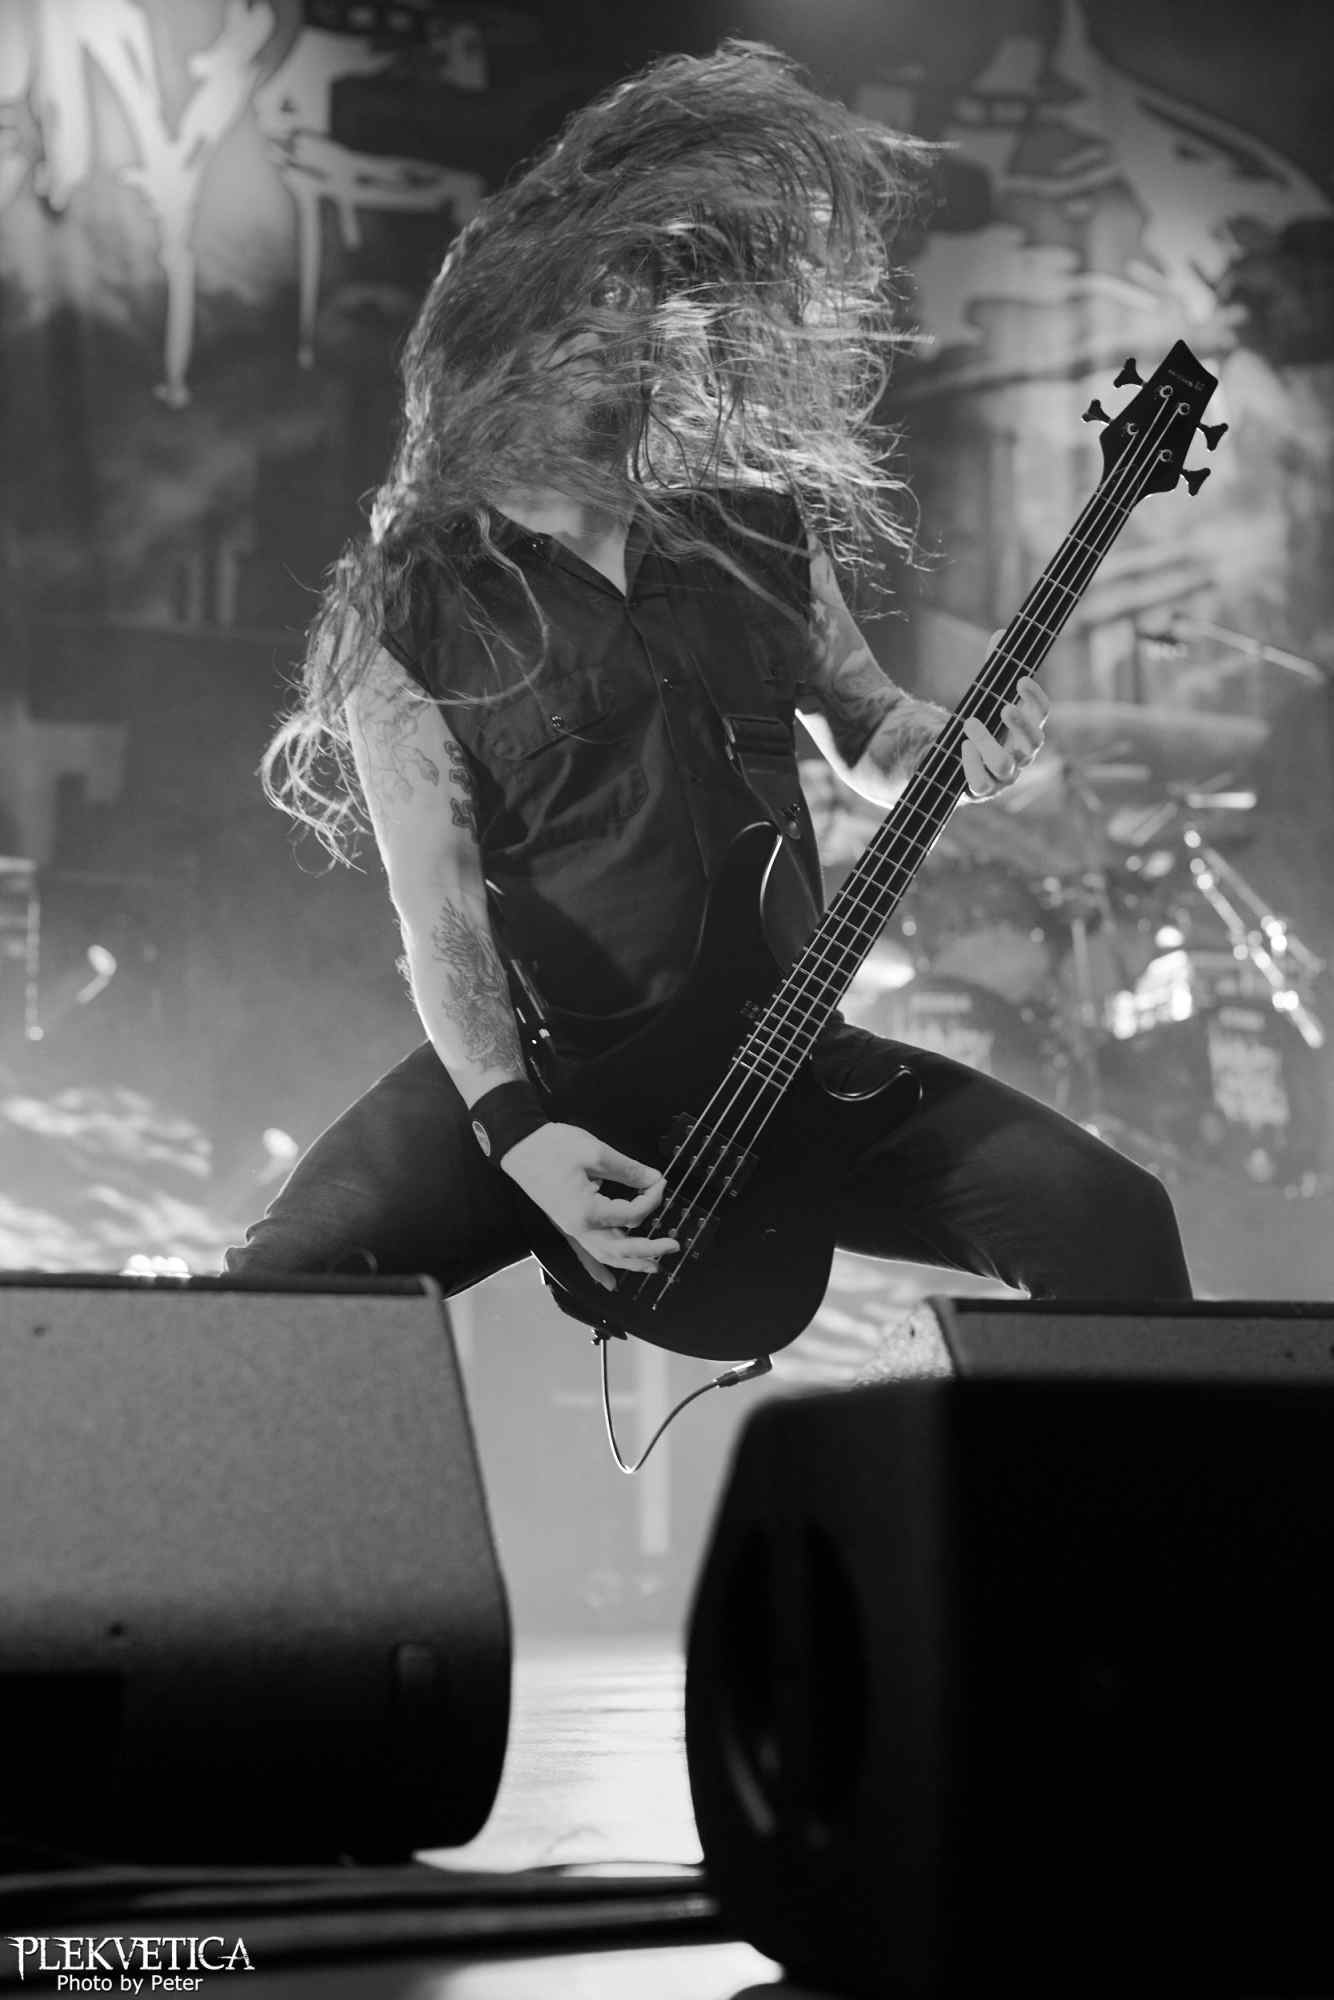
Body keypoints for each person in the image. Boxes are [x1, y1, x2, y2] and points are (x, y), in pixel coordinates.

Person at [224, 42, 1191, 1328]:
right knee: (278, 1292)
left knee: (1114, 1222)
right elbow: (439, 909)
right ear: (497, 341)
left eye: (632, 303)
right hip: (553, 1074)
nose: (613, 331)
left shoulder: (753, 535)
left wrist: (959, 745)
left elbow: (872, 730)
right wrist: (516, 1133)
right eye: (578, 302)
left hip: (784, 1055)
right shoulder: (409, 607)